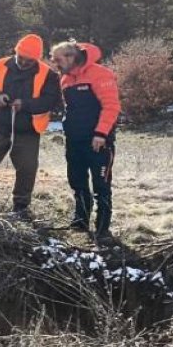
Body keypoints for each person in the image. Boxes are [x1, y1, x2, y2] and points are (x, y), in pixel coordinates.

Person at [0, 33, 61, 216]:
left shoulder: (49, 75)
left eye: (29, 61)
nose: (24, 63)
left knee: (27, 170)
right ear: (16, 51)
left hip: (28, 131)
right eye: (21, 58)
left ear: (37, 59)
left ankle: (21, 208)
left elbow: (51, 100)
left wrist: (25, 104)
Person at [52, 40, 122, 242]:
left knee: (101, 186)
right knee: (77, 182)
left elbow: (111, 106)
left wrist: (100, 134)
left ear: (70, 57)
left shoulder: (100, 74)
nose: (56, 64)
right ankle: (80, 222)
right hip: (74, 140)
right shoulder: (65, 79)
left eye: (58, 60)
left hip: (98, 141)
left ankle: (103, 228)